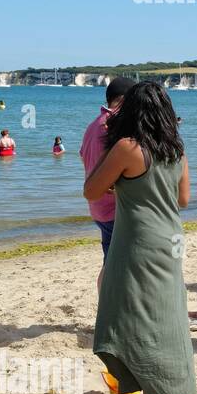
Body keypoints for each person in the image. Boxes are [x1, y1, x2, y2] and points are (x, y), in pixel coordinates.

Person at [83, 81, 194, 394]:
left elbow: (91, 190)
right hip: (170, 238)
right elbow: (182, 200)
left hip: (138, 241)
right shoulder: (176, 150)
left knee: (137, 315)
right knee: (165, 312)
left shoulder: (128, 147)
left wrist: (123, 184)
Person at [81, 77, 135, 283]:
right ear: (125, 99)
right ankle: (109, 310)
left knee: (109, 263)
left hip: (98, 206)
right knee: (120, 268)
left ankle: (105, 309)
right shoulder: (117, 123)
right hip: (116, 208)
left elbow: (84, 159)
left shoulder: (93, 125)